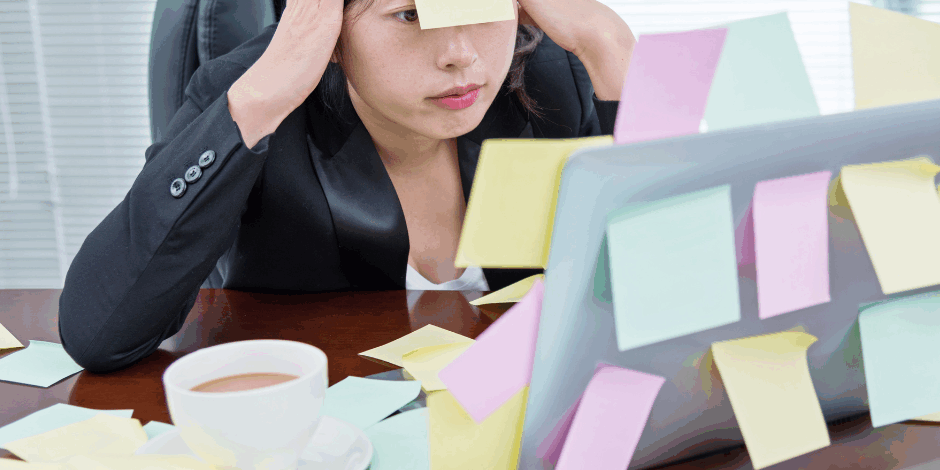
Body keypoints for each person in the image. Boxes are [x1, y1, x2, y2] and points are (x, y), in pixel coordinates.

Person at [58, 0, 635, 372]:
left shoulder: (550, 74)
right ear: (327, 25)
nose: (461, 56)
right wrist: (261, 100)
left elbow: (665, 283)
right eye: (410, 14)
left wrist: (613, 49)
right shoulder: (253, 96)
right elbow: (99, 335)